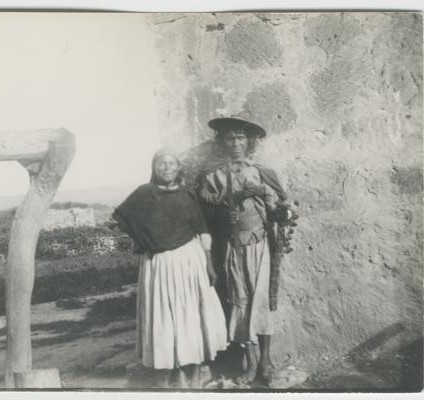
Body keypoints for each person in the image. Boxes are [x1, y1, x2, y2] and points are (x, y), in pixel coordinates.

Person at [112, 148, 228, 388]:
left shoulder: (187, 196)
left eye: (171, 163)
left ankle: (194, 374)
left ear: (178, 169)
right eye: (161, 163)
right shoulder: (143, 195)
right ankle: (171, 375)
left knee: (191, 317)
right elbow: (121, 220)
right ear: (154, 167)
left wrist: (209, 263)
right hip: (159, 264)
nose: (166, 168)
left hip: (189, 260)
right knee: (165, 317)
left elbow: (202, 230)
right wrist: (143, 241)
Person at [196, 117, 291, 386]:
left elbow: (279, 208)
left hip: (259, 244)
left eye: (240, 138)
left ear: (248, 141)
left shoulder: (260, 171)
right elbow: (206, 213)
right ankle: (249, 361)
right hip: (233, 247)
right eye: (230, 138)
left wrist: (270, 201)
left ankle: (266, 361)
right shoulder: (213, 175)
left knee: (261, 299)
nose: (236, 143)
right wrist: (221, 219)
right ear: (222, 142)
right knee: (240, 300)